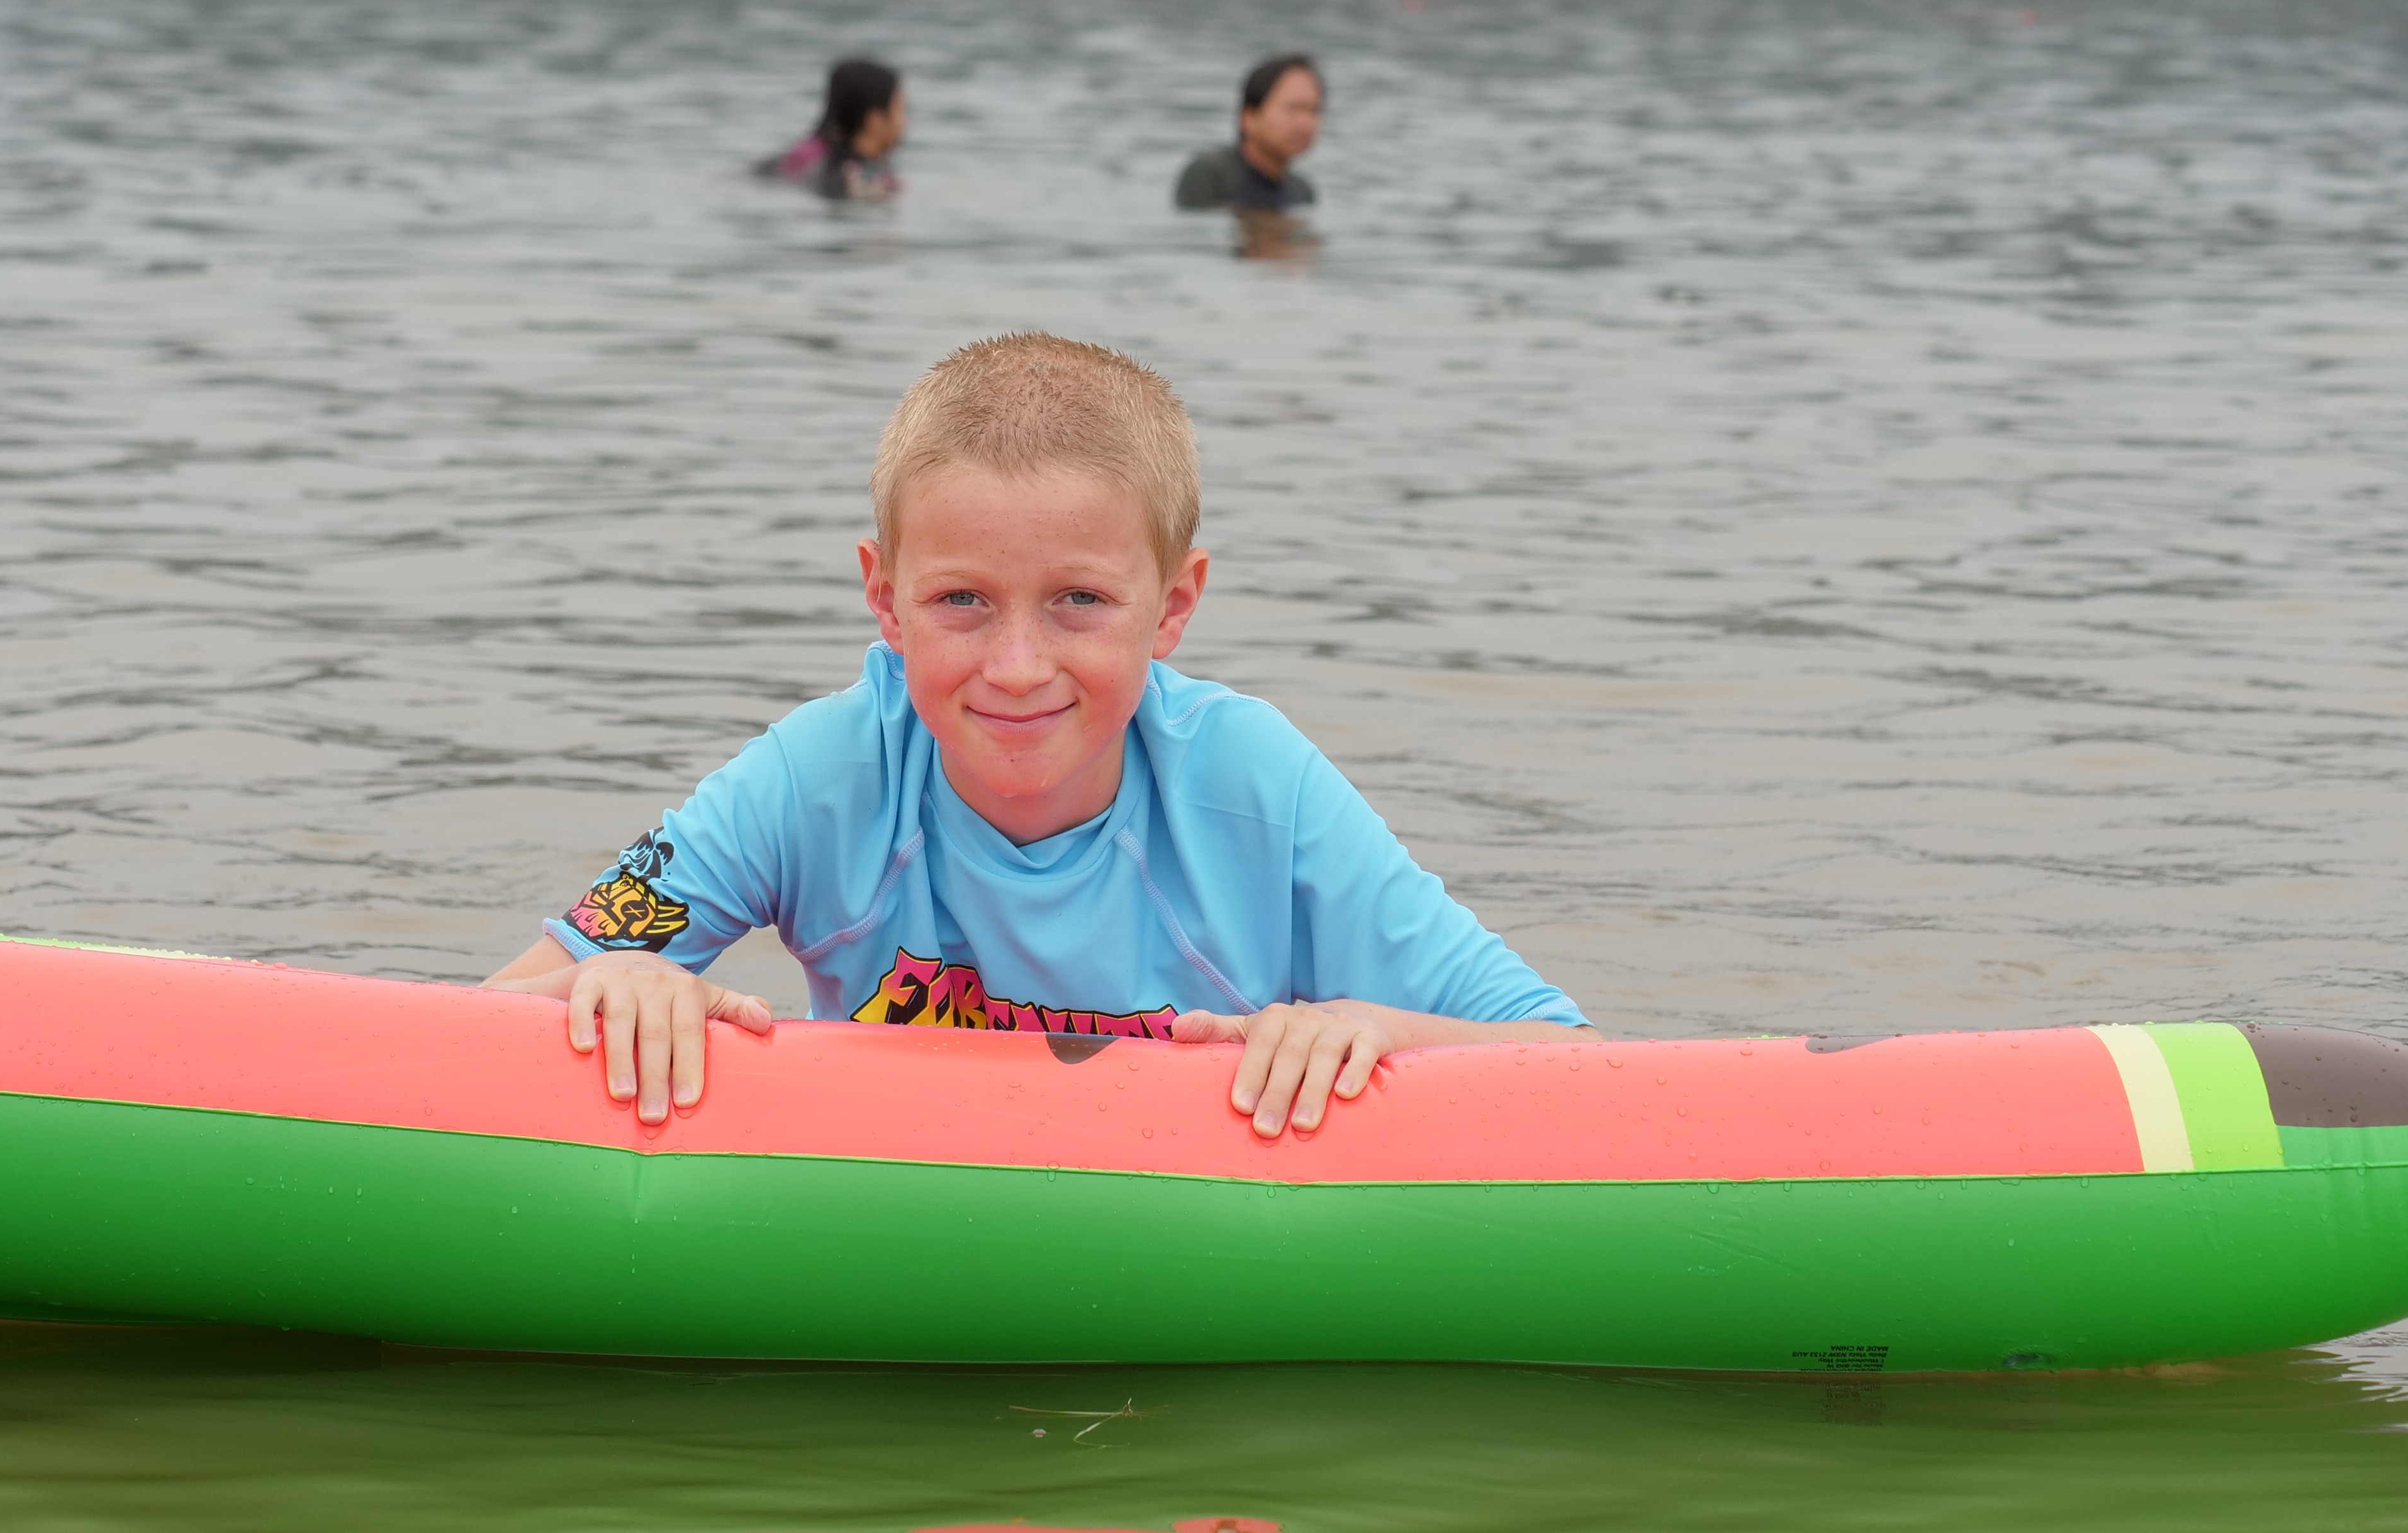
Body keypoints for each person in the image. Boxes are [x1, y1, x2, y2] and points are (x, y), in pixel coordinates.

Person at [485, 332, 1591, 1138]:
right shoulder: (820, 776)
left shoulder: (1256, 790)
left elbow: (1576, 1061)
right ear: (885, 599)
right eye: (962, 600)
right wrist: (610, 984)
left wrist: (1381, 1028)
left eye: (1079, 601)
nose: (1016, 667)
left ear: (1172, 604)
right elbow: (479, 1018)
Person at [1173, 53, 1321, 212]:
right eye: (1293, 108)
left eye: (1314, 111)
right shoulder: (1209, 175)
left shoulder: (1303, 193)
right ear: (1249, 117)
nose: (1305, 124)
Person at [762, 57, 906, 200]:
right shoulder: (864, 179)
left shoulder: (789, 160)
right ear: (874, 120)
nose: (903, 121)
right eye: (900, 108)